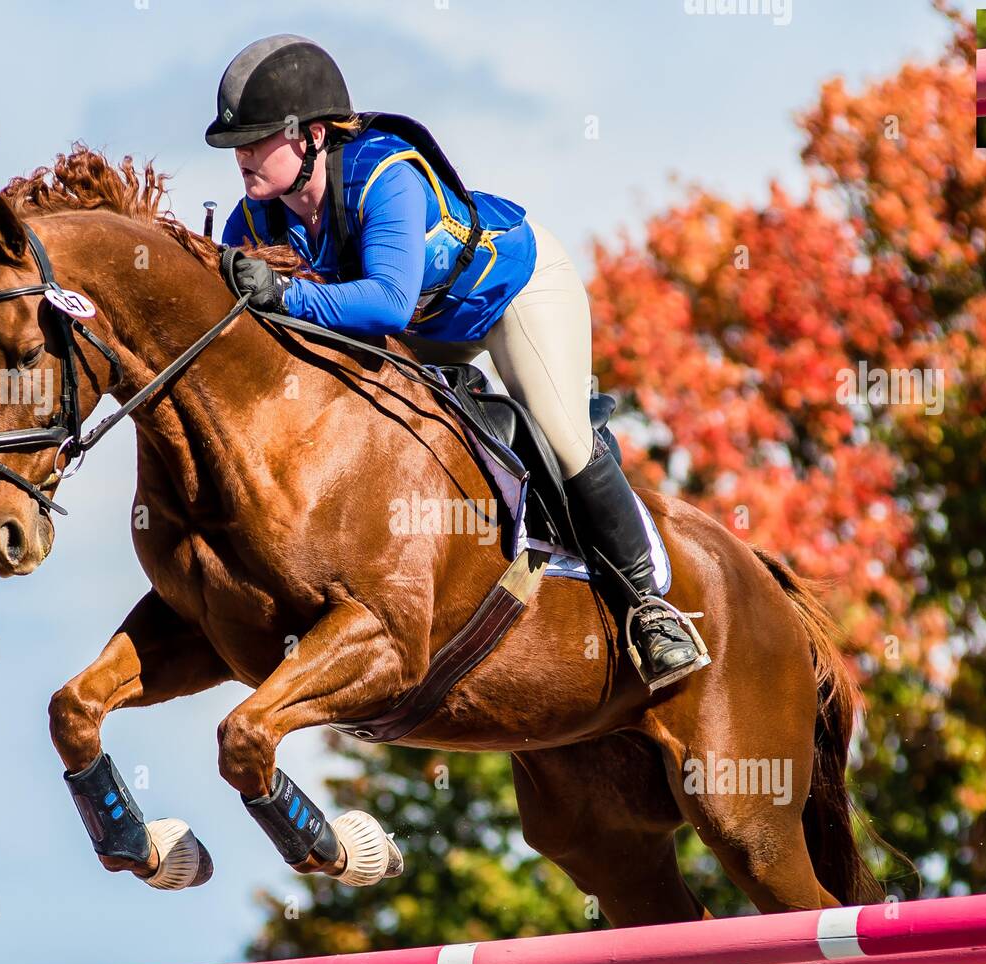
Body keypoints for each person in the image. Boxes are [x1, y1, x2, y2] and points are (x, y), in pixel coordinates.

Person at [205, 33, 700, 689]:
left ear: (314, 136)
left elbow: (383, 304)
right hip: (427, 326)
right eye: (237, 143)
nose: (242, 155)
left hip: (510, 296)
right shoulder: (254, 221)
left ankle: (650, 608)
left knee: (558, 426)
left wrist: (288, 294)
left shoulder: (386, 180)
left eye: (258, 138)